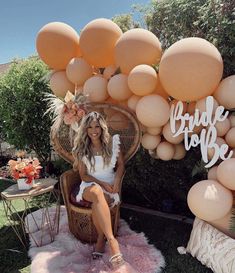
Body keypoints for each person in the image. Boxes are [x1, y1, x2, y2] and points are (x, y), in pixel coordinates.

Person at [72, 111, 125, 268]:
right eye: (89, 127)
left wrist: (116, 181)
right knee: (96, 192)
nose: (93, 130)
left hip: (110, 188)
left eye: (97, 126)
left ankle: (101, 238)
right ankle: (112, 241)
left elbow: (121, 164)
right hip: (90, 185)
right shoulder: (82, 148)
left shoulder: (113, 143)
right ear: (85, 130)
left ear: (102, 128)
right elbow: (84, 176)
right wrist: (100, 183)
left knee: (98, 201)